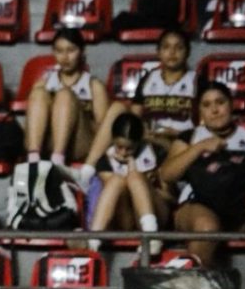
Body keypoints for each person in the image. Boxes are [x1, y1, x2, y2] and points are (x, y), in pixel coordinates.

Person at [159, 82, 245, 286]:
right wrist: (200, 147)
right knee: (207, 225)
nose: (214, 110)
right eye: (207, 105)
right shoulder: (190, 137)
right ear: (200, 111)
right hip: (198, 206)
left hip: (240, 212)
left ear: (231, 105)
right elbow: (167, 175)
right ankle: (196, 283)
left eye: (220, 102)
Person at [75, 29, 195, 187]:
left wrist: (177, 133)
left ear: (188, 52)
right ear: (158, 52)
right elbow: (135, 117)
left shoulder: (196, 81)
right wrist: (145, 132)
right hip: (148, 138)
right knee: (118, 108)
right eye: (166, 47)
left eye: (178, 47)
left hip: (179, 142)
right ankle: (88, 171)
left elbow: (204, 125)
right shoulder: (149, 79)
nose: (172, 52)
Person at [86, 113, 172, 256]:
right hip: (125, 218)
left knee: (136, 178)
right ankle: (93, 242)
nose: (123, 153)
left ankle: (152, 237)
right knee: (117, 180)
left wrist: (147, 185)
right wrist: (131, 171)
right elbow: (113, 197)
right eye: (119, 147)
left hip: (157, 214)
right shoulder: (105, 161)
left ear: (139, 142)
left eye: (129, 148)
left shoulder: (156, 154)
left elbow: (170, 198)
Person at [24, 28, 110, 167]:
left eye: (71, 50)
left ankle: (58, 161)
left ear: (82, 51)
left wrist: (77, 112)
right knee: (38, 94)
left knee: (65, 95)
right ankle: (33, 160)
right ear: (53, 52)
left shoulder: (94, 86)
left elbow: (104, 132)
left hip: (79, 144)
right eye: (59, 51)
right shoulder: (43, 83)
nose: (65, 57)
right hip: (47, 144)